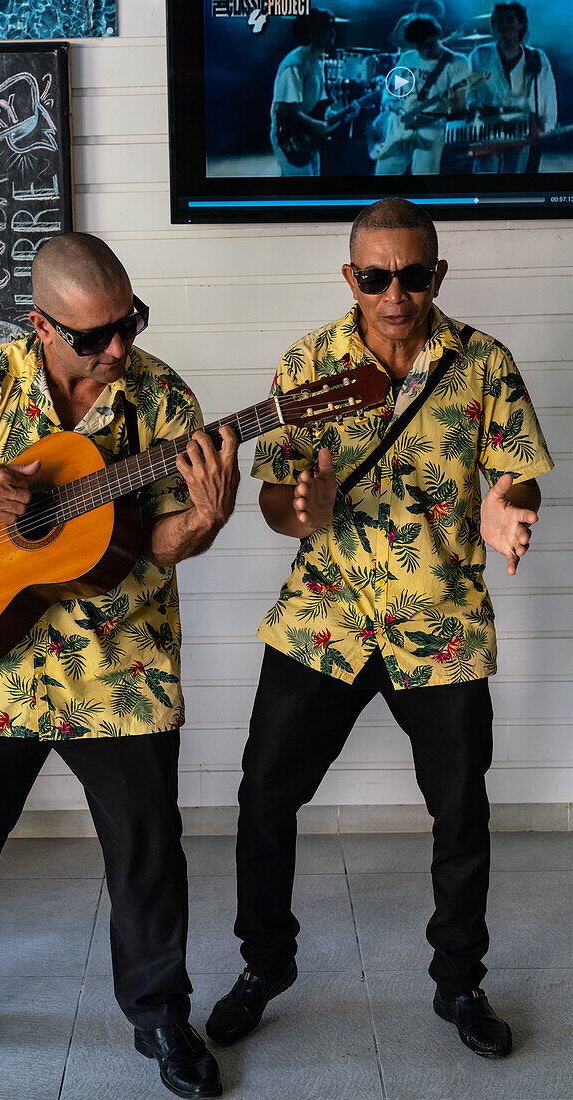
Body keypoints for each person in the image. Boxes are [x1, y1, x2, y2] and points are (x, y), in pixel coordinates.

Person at [0, 232, 239, 1099]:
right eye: (94, 336)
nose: (118, 350)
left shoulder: (162, 400)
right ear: (40, 323)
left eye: (129, 324)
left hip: (120, 664)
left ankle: (159, 1017)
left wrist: (208, 520)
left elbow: (167, 541)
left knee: (146, 846)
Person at [206, 198, 552, 1059]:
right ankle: (264, 963)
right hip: (327, 615)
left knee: (460, 812)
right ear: (350, 278)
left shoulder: (484, 364)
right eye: (374, 276)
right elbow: (272, 497)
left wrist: (512, 509)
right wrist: (300, 509)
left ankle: (459, 984)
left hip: (439, 621)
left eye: (412, 274)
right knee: (263, 794)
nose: (394, 293)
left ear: (438, 274)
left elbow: (519, 476)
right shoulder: (308, 363)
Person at [373, 15, 469, 175]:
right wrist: (390, 105)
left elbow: (459, 104)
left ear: (438, 36)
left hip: (430, 128)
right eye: (419, 47)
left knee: (424, 180)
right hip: (397, 127)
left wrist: (440, 109)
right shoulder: (407, 58)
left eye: (429, 45)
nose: (425, 51)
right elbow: (395, 90)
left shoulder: (457, 62)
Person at [270, 7, 360, 177]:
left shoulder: (317, 61)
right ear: (313, 33)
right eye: (328, 29)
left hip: (306, 136)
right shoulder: (296, 63)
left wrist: (344, 113)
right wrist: (317, 125)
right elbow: (285, 111)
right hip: (290, 137)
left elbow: (319, 106)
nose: (333, 33)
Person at [469, 2, 557, 173]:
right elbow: (469, 91)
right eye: (499, 21)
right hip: (488, 126)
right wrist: (474, 113)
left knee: (516, 174)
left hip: (523, 127)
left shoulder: (536, 57)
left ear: (521, 24)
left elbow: (548, 94)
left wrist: (546, 127)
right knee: (485, 175)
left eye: (510, 20)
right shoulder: (480, 55)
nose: (504, 26)